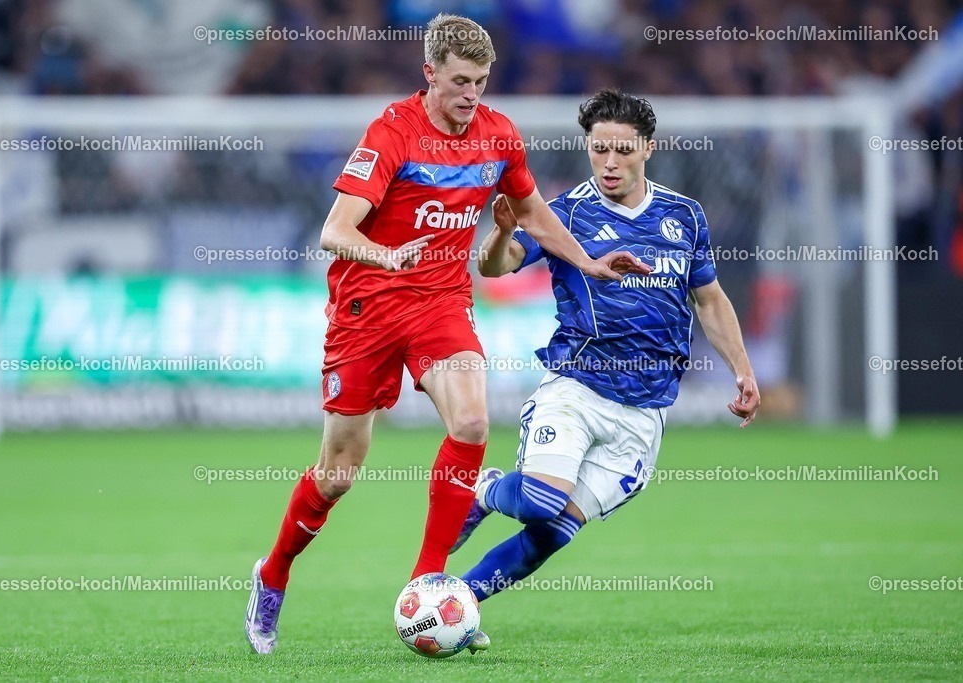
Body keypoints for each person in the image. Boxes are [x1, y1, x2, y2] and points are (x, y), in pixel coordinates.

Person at [245, 17, 647, 655]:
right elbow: (335, 231)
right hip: (367, 308)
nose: (471, 94)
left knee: (472, 424)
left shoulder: (498, 134)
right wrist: (386, 255)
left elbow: (533, 213)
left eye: (481, 81)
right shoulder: (392, 132)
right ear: (429, 72)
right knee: (338, 473)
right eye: (460, 81)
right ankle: (273, 574)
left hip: (440, 303)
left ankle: (427, 583)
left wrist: (589, 261)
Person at [452, 90, 760, 647]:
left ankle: (458, 601)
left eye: (622, 150)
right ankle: (487, 489)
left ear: (648, 149)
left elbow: (709, 299)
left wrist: (742, 368)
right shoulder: (565, 212)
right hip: (577, 387)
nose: (610, 162)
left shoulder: (684, 215)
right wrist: (502, 230)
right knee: (540, 500)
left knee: (553, 533)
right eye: (599, 150)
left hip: (645, 412)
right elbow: (496, 268)